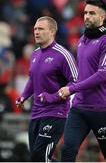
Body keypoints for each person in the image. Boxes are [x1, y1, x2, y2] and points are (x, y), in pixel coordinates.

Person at [58, 0, 106, 162]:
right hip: (79, 108)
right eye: (85, 13)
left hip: (101, 108)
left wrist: (72, 89)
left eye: (92, 13)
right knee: (67, 149)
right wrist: (65, 85)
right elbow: (81, 73)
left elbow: (102, 75)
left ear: (102, 17)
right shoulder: (82, 40)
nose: (87, 16)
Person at [15, 16, 78, 162]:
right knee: (37, 158)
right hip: (36, 113)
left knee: (40, 154)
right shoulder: (35, 54)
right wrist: (23, 96)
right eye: (35, 29)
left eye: (41, 29)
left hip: (56, 113)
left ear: (52, 32)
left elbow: (75, 82)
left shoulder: (63, 54)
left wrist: (54, 96)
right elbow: (32, 79)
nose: (36, 32)